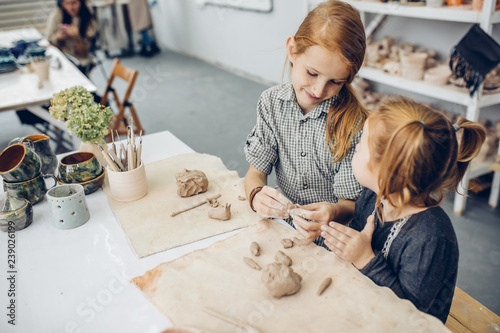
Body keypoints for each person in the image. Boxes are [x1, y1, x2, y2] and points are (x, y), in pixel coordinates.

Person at [318, 98, 486, 323]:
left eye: (362, 144)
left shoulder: (431, 238)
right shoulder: (372, 195)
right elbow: (355, 247)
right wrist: (327, 226)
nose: (355, 146)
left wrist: (366, 260)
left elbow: (411, 314)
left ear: (387, 172)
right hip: (362, 305)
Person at [244, 0, 368, 246]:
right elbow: (254, 173)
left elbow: (349, 205)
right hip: (285, 229)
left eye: (336, 81)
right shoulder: (270, 103)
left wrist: (332, 213)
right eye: (312, 73)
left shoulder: (355, 124)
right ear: (292, 50)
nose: (319, 89)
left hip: (333, 239)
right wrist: (256, 195)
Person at [46, 0, 97, 76]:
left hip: (80, 59)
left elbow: (85, 53)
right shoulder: (57, 15)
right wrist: (57, 37)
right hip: (61, 57)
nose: (71, 7)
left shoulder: (88, 17)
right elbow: (48, 41)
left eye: (74, 3)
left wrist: (78, 36)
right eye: (67, 3)